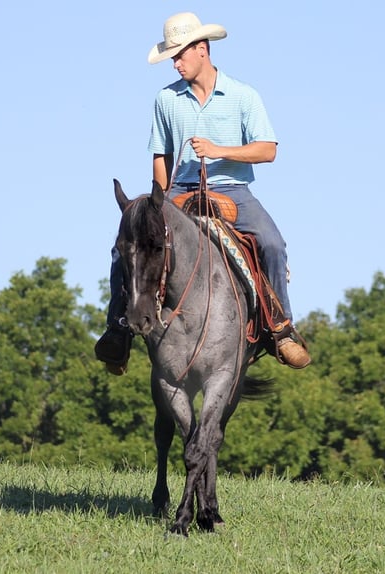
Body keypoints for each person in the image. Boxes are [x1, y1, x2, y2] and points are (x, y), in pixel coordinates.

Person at [95, 11, 311, 374]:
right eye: (171, 57)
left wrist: (219, 150)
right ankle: (118, 330)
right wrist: (156, 203)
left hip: (233, 190)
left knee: (273, 244)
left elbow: (267, 150)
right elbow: (160, 156)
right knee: (126, 247)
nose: (175, 63)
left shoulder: (243, 95)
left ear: (202, 49)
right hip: (177, 191)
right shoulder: (165, 100)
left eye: (180, 54)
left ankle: (281, 328)